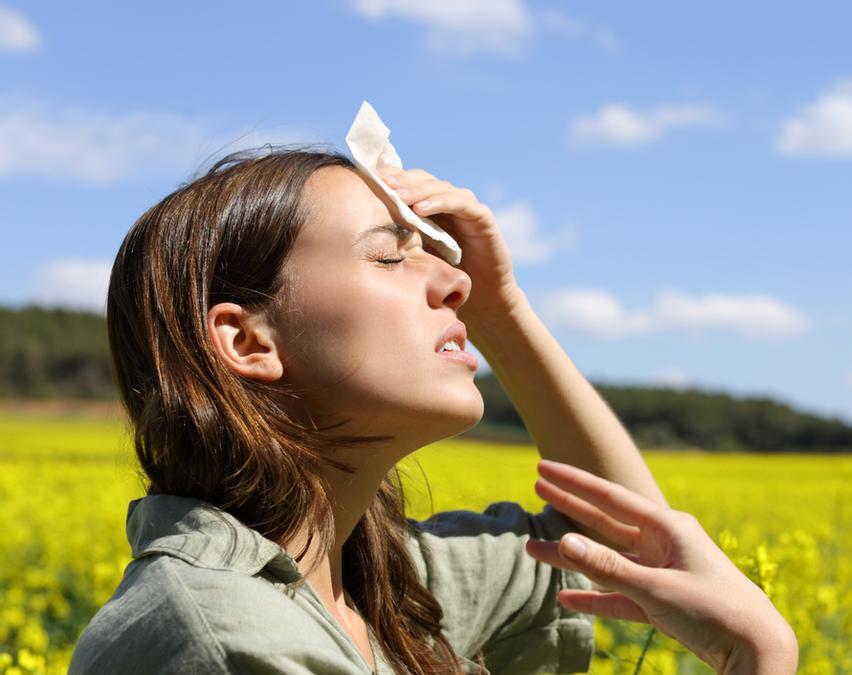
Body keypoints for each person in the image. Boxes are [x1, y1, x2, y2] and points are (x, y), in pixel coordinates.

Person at [68, 147, 799, 674]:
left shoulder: (375, 584)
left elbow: (626, 548)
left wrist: (503, 312)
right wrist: (758, 659)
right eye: (390, 258)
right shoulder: (229, 639)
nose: (455, 284)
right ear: (247, 339)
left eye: (442, 262)